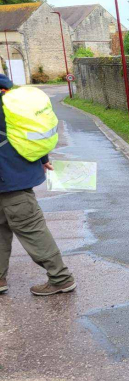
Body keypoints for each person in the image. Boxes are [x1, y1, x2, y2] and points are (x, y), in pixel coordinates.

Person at [0, 76, 75, 296]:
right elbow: (29, 135)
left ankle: (61, 278)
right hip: (15, 177)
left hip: (10, 181)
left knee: (32, 229)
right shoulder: (12, 103)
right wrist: (43, 159)